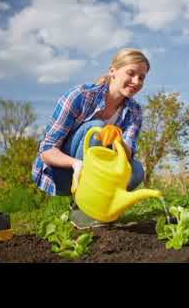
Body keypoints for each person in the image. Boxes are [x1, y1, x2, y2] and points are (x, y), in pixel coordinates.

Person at [32, 48, 149, 229]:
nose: (136, 81)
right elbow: (46, 151)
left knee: (137, 171)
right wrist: (77, 164)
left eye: (141, 77)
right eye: (131, 73)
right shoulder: (80, 96)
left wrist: (118, 139)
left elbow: (127, 156)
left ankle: (98, 208)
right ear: (113, 71)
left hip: (98, 175)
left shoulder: (134, 112)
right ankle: (81, 208)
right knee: (96, 129)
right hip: (65, 173)